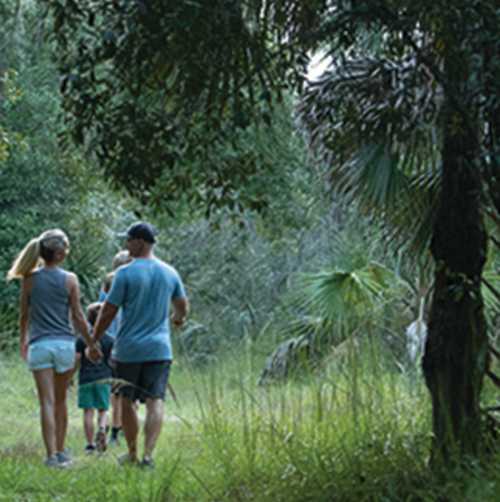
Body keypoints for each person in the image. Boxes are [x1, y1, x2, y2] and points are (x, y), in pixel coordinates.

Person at [92, 222, 189, 468]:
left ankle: (133, 454)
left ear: (141, 242)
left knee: (126, 400)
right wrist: (177, 320)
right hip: (159, 349)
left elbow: (108, 312)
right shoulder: (170, 272)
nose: (126, 245)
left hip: (128, 350)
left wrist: (93, 339)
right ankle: (148, 456)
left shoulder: (125, 274)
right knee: (156, 400)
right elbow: (182, 306)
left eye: (129, 240)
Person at [7, 229, 101, 468]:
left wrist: (23, 342)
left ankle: (50, 456)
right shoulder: (70, 279)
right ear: (61, 254)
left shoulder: (29, 279)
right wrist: (91, 343)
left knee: (46, 402)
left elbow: (24, 315)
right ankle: (60, 452)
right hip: (64, 346)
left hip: (39, 345)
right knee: (61, 401)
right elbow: (79, 317)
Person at [76, 302, 114, 454]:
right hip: (104, 379)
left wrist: (70, 377)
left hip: (86, 379)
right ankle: (103, 428)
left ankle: (90, 444)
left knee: (88, 412)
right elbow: (112, 362)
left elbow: (77, 359)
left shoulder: (81, 340)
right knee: (103, 410)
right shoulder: (110, 340)